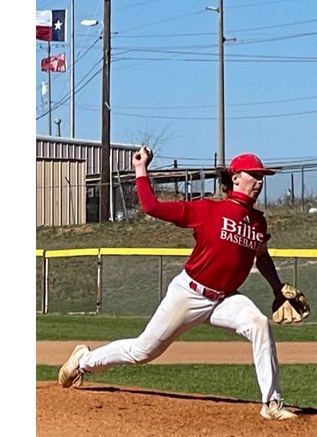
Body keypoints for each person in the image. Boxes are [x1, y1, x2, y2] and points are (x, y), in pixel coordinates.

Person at [58, 150, 299, 420]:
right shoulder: (208, 209)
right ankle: (84, 361)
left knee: (259, 324)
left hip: (226, 299)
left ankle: (272, 403)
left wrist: (277, 288)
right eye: (254, 175)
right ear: (235, 177)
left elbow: (262, 257)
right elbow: (152, 207)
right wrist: (141, 169)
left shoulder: (258, 221)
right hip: (190, 294)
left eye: (262, 177)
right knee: (142, 352)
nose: (260, 181)